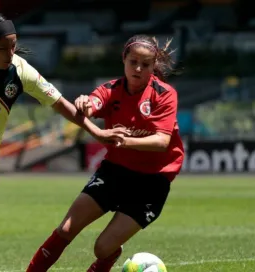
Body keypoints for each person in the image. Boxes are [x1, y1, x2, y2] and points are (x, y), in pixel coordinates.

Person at [0, 11, 127, 272]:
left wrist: (98, 132)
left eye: (14, 45)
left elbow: (59, 103)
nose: (10, 53)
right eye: (3, 48)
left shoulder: (20, 70)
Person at [26, 34, 185, 272]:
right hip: (115, 172)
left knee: (102, 248)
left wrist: (119, 139)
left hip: (152, 182)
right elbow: (92, 104)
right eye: (133, 62)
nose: (138, 69)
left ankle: (107, 257)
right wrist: (84, 103)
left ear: (154, 67)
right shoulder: (110, 90)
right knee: (66, 229)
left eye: (146, 64)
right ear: (124, 60)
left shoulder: (164, 94)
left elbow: (162, 141)